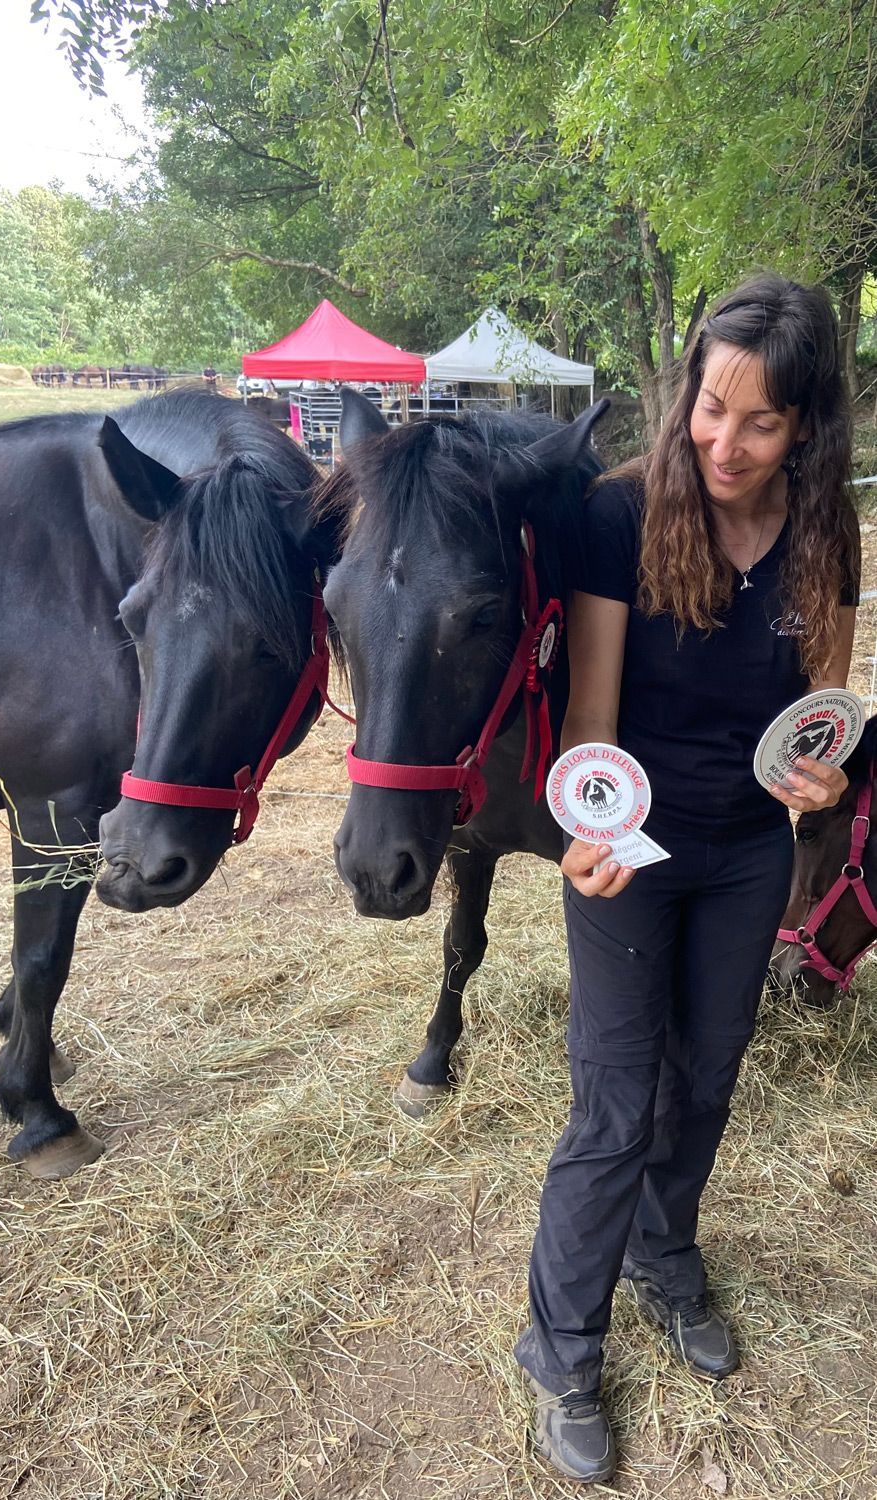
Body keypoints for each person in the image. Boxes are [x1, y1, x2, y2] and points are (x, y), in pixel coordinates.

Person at [515, 272, 860, 1484]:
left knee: (706, 1077)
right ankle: (560, 1341)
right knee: (614, 1101)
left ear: (806, 427)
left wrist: (820, 782)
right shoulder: (623, 514)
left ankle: (668, 1260)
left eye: (760, 422)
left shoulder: (825, 532)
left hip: (749, 849)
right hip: (634, 850)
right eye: (713, 408)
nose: (726, 441)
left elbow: (821, 720)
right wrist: (587, 836)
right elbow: (592, 717)